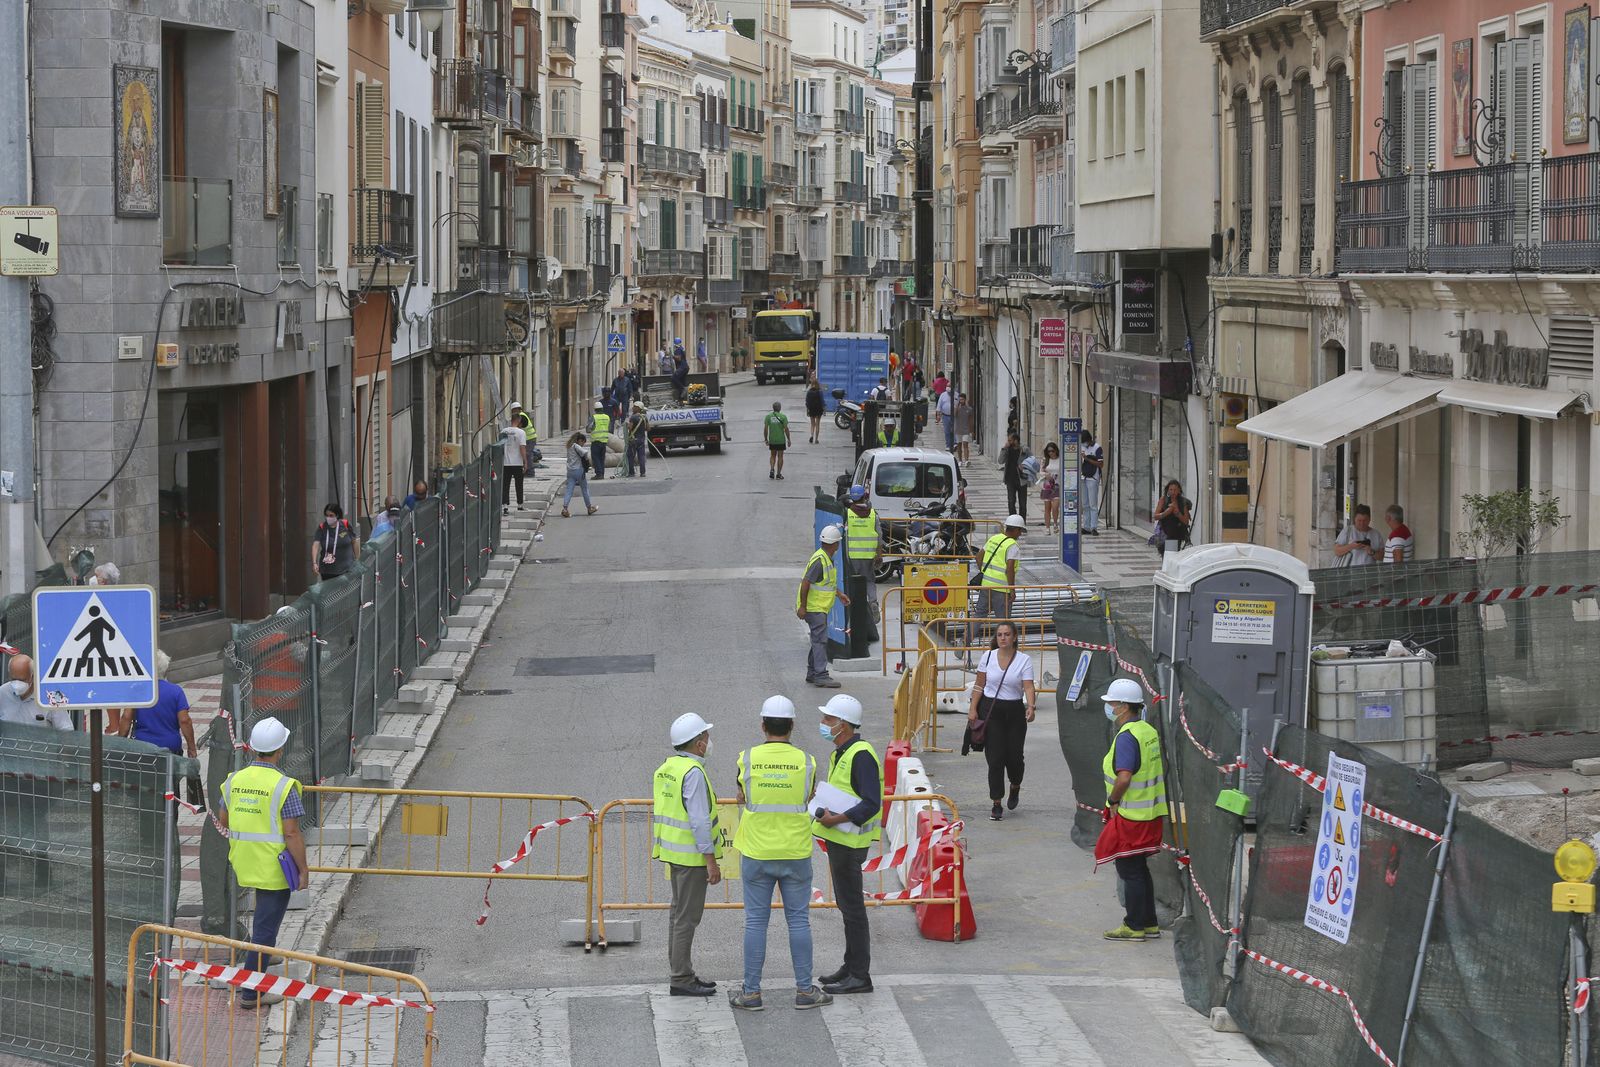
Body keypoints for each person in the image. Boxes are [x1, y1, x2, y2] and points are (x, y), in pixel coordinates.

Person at [729, 696, 832, 1012]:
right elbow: (809, 795)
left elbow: (741, 796)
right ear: (791, 725)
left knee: (756, 922)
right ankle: (804, 991)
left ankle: (750, 993)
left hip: (757, 851)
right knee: (799, 920)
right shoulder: (808, 762)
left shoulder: (746, 759)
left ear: (763, 724)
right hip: (795, 851)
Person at [218, 716, 309, 1007]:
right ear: (281, 748)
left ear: (253, 748)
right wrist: (303, 868)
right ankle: (250, 992)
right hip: (273, 866)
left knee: (262, 926)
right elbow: (291, 833)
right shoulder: (284, 786)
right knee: (265, 930)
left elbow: (224, 818)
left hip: (242, 860)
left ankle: (262, 956)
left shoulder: (234, 780)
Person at [813, 693, 882, 996]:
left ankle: (859, 975)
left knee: (853, 908)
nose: (823, 723)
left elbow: (872, 803)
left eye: (828, 719)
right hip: (839, 840)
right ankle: (850, 965)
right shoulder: (842, 752)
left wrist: (836, 818)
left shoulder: (861, 754)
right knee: (846, 904)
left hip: (849, 843)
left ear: (843, 725)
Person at [653, 712, 722, 996]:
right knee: (686, 918)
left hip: (673, 852)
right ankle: (681, 977)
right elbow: (698, 820)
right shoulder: (693, 773)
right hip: (692, 858)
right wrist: (711, 861)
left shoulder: (668, 767)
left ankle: (682, 972)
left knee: (678, 915)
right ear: (699, 744)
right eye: (706, 736)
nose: (708, 740)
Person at [1094, 678, 1168, 942]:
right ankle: (1149, 923)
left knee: (1129, 870)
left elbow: (1124, 777)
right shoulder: (1148, 731)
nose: (1110, 708)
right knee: (1139, 868)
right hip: (1150, 813)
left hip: (1131, 815)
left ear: (1124, 707)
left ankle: (1134, 925)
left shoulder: (1127, 737)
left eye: (1112, 703)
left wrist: (1113, 801)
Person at [967, 621, 1036, 821]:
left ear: (1014, 637)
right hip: (992, 710)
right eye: (999, 635)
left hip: (1014, 710)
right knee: (995, 758)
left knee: (1014, 757)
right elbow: (979, 685)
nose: (1003, 638)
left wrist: (1030, 707)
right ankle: (996, 802)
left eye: (1007, 634)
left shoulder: (1024, 660)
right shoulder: (987, 657)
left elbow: (1028, 686)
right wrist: (973, 709)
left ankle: (1015, 785)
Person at [797, 525, 850, 688]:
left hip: (818, 607)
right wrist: (803, 607)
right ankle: (820, 674)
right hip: (814, 608)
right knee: (820, 641)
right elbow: (806, 583)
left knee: (817, 639)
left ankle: (813, 672)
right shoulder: (820, 561)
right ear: (835, 544)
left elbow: (826, 584)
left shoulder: (825, 558)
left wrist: (839, 594)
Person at [970, 515, 1024, 663]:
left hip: (986, 585)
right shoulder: (1012, 545)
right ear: (1016, 530)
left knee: (978, 616)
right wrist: (1012, 589)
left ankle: (964, 643)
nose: (1020, 535)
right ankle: (1003, 651)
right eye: (1020, 531)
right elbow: (1010, 569)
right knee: (1004, 622)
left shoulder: (994, 539)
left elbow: (978, 557)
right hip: (1002, 589)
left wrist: (986, 572)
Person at [0, 654, 71, 729]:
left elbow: (65, 729)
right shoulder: (2, 693)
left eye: (22, 680)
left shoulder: (52, 696)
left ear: (32, 676)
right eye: (13, 679)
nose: (17, 684)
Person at [843, 485, 881, 622]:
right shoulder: (873, 514)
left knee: (853, 583)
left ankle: (855, 610)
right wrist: (879, 554)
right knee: (869, 581)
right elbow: (879, 535)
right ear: (865, 497)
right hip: (869, 556)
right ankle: (873, 603)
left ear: (852, 498)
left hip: (852, 556)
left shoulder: (847, 514)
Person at [311, 503, 356, 582]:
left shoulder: (346, 525)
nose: (328, 518)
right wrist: (314, 563)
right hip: (327, 570)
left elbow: (354, 542)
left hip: (345, 569)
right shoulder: (322, 527)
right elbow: (315, 545)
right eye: (327, 515)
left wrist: (357, 559)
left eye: (331, 515)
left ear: (337, 515)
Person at [560, 431, 598, 518]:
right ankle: (589, 508)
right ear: (580, 440)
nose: (583, 445)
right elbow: (585, 453)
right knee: (584, 489)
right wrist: (586, 460)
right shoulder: (576, 446)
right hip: (579, 471)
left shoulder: (569, 446)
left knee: (569, 490)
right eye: (583, 443)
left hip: (570, 471)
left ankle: (565, 509)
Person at [1152, 479, 1192, 555]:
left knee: (1170, 556)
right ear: (1167, 490)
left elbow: (1186, 521)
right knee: (1167, 556)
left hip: (1175, 534)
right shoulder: (1163, 500)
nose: (1173, 492)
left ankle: (1167, 566)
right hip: (1164, 533)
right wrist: (1167, 512)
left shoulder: (1183, 502)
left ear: (1179, 491)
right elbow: (1156, 516)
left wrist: (1177, 512)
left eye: (1175, 490)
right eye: (1171, 489)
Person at [1080, 430, 1104, 535]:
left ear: (1089, 440)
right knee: (1085, 504)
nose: (1084, 444)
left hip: (1093, 478)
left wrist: (1087, 459)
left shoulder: (1097, 448)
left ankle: (1094, 527)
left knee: (1093, 504)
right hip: (1083, 477)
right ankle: (1086, 526)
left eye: (1085, 441)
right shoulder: (1082, 446)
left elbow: (1100, 464)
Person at [500, 420, 527, 513]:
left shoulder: (503, 431)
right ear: (519, 421)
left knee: (505, 485)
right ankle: (520, 505)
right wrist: (525, 462)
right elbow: (522, 447)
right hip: (517, 463)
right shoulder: (521, 432)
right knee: (519, 485)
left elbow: (500, 446)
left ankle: (505, 507)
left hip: (505, 463)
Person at [1002, 432, 1028, 523]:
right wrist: (1004, 449)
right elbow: (1000, 461)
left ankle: (1022, 523)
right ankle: (1013, 521)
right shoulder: (1007, 450)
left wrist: (1025, 466)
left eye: (1010, 440)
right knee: (1011, 501)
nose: (1008, 442)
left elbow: (1032, 461)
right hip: (1010, 479)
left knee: (1022, 504)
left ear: (1016, 441)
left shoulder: (1024, 450)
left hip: (1022, 480)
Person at [765, 401, 792, 480]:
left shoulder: (768, 416)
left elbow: (766, 429)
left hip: (772, 439)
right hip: (781, 440)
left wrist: (766, 439)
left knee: (772, 455)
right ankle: (779, 474)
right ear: (780, 408)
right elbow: (786, 429)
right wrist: (789, 439)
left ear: (773, 408)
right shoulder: (783, 417)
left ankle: (772, 469)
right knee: (780, 456)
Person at [1039, 442, 1061, 534]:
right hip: (1047, 486)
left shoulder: (1060, 459)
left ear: (1056, 450)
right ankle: (1047, 528)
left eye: (1052, 451)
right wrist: (1046, 475)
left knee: (1055, 507)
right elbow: (1041, 471)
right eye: (1048, 451)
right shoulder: (1045, 460)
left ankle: (1055, 524)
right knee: (1047, 508)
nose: (1050, 453)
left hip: (1057, 486)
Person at [624, 401, 650, 478]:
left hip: (633, 440)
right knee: (641, 456)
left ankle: (631, 473)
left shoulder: (633, 417)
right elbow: (648, 428)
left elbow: (630, 428)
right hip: (641, 440)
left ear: (638, 408)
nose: (632, 408)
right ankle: (643, 473)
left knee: (630, 456)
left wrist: (627, 425)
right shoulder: (644, 417)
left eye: (634, 406)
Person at [586, 402, 611, 480]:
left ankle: (599, 474)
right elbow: (609, 428)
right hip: (604, 441)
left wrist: (590, 430)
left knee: (595, 458)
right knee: (601, 458)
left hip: (596, 441)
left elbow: (588, 428)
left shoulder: (594, 417)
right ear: (602, 409)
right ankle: (602, 474)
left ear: (595, 409)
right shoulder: (607, 417)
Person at [509, 401, 538, 467]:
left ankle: (530, 472)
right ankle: (527, 471)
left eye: (513, 410)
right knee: (526, 455)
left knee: (527, 455)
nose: (513, 412)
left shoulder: (521, 416)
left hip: (529, 438)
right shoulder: (522, 415)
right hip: (529, 438)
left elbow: (518, 426)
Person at [953, 393, 973, 463]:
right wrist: (957, 407)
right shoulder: (957, 408)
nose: (961, 401)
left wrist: (971, 430)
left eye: (962, 399)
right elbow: (954, 415)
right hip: (958, 430)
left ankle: (967, 460)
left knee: (965, 444)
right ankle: (960, 460)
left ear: (965, 400)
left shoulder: (969, 409)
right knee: (959, 445)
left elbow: (971, 420)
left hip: (966, 430)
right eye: (960, 399)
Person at [805, 377, 826, 444]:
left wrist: (808, 409)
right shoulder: (820, 391)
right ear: (818, 384)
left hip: (811, 409)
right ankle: (816, 439)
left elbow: (807, 402)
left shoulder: (809, 392)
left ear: (811, 384)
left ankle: (811, 435)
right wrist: (824, 409)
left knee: (812, 424)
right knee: (817, 424)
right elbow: (822, 401)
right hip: (819, 409)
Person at [936, 385, 955, 451]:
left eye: (950, 386)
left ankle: (954, 443)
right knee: (947, 431)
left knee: (954, 430)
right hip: (945, 416)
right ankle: (948, 445)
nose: (949, 387)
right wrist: (938, 415)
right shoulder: (943, 395)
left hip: (955, 416)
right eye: (948, 386)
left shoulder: (956, 395)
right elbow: (939, 405)